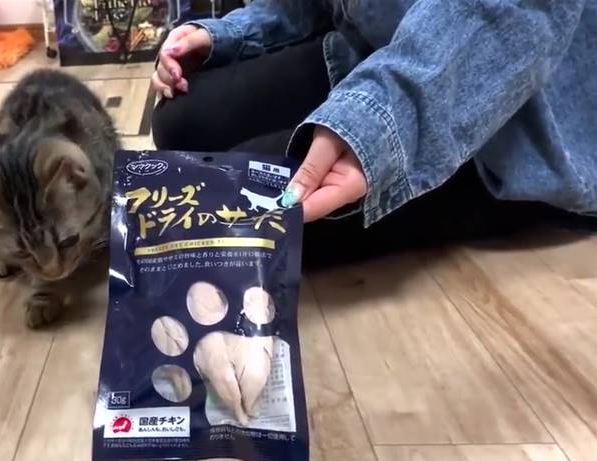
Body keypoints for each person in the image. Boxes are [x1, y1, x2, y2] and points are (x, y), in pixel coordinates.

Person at [151, 0, 596, 265]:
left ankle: (527, 196)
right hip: (378, 46)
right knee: (181, 121)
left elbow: (505, 13)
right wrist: (229, 34)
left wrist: (372, 126)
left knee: (233, 204)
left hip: (507, 99)